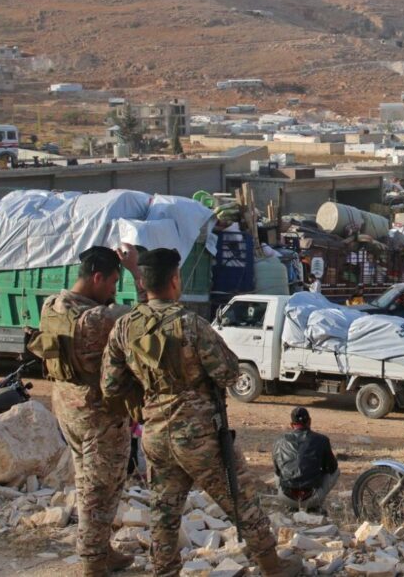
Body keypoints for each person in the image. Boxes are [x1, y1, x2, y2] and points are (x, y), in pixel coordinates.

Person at [101, 249, 300, 577]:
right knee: (241, 499)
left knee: (164, 510)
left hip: (154, 434)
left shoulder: (125, 327)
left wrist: (145, 403)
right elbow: (229, 373)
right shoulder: (190, 325)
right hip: (200, 437)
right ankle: (271, 565)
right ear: (175, 280)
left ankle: (164, 571)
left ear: (145, 284)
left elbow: (110, 386)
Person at [27, 245, 144, 577]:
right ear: (97, 277)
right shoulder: (97, 319)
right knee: (100, 485)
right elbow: (148, 317)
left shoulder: (54, 305)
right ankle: (93, 559)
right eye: (111, 282)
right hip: (98, 414)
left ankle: (101, 549)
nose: (112, 289)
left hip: (67, 406)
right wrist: (136, 270)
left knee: (90, 478)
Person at [273, 407, 339, 512]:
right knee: (336, 471)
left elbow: (277, 470)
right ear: (310, 421)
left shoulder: (280, 441)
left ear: (291, 425)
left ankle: (291, 506)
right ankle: (315, 506)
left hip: (286, 497)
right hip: (312, 498)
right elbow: (332, 467)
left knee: (277, 473)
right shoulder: (322, 440)